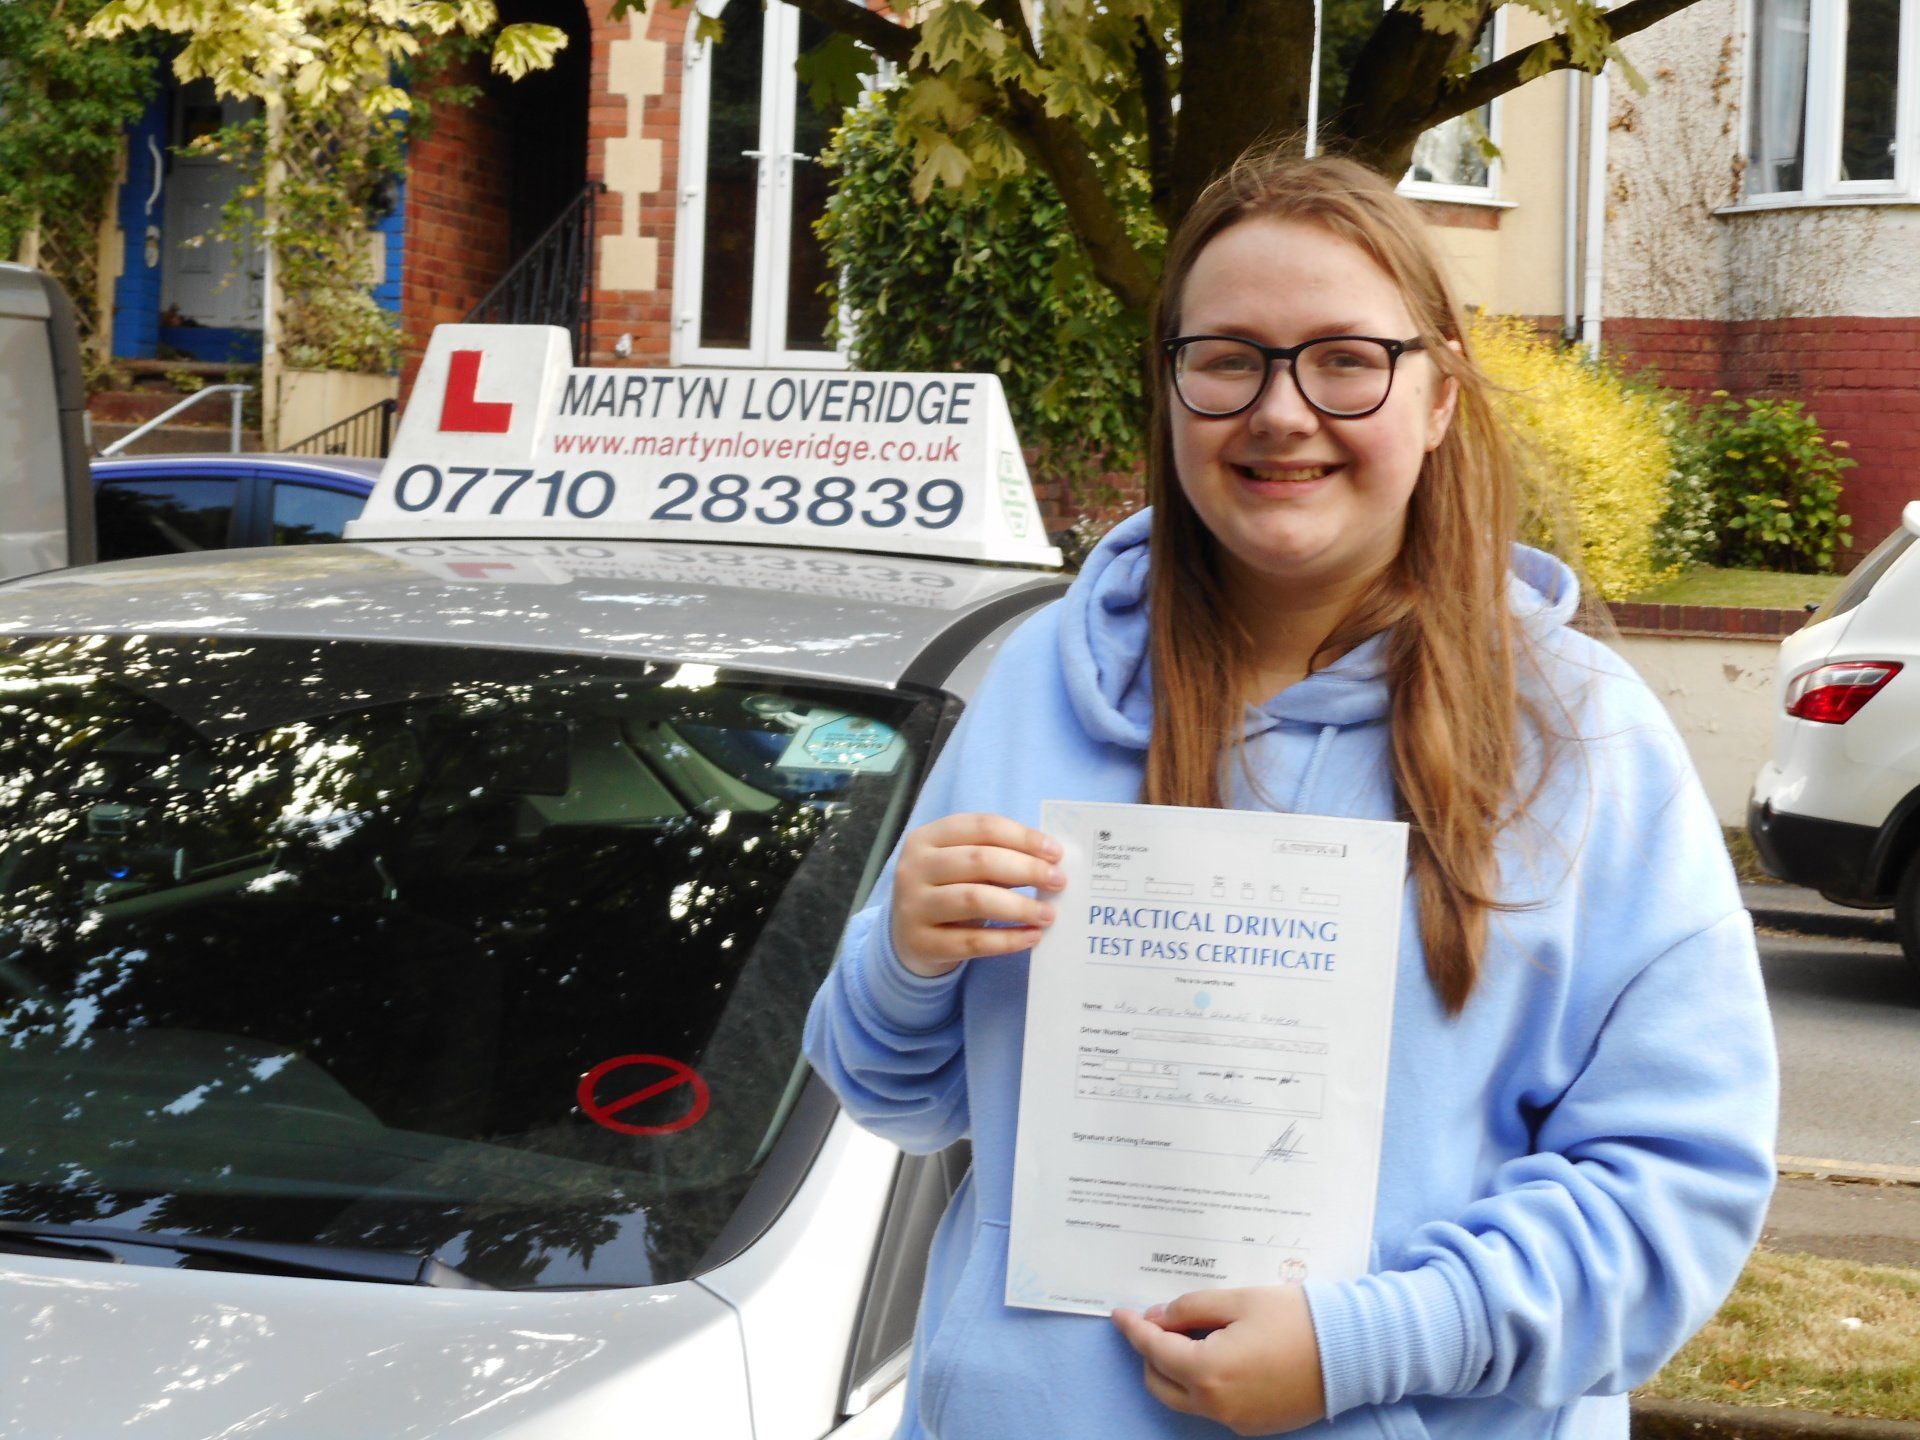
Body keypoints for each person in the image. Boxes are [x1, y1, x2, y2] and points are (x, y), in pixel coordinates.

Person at [802, 147, 1777, 1439]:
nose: (1281, 410)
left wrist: (1358, 1345)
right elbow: (902, 1100)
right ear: (1173, 391)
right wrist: (901, 960)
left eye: (1344, 358)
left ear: (1437, 395)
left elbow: (1675, 1203)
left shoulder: (1586, 739)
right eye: (1229, 358)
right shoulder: (1043, 679)